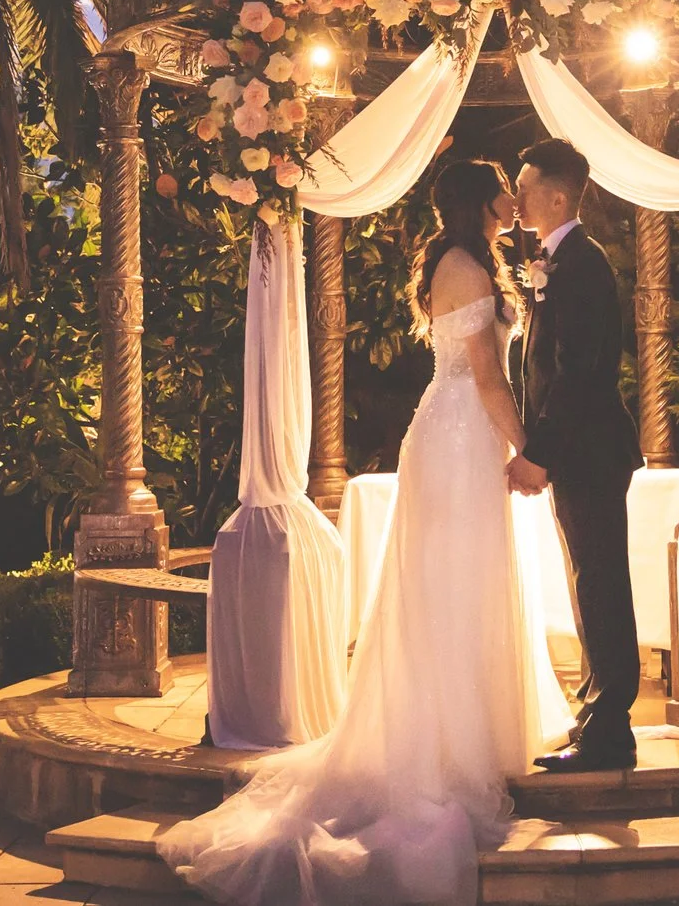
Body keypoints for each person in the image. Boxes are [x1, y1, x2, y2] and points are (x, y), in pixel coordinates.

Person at [156, 159, 569, 906]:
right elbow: (483, 373)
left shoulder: (476, 259)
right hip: (456, 437)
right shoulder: (461, 264)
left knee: (469, 580)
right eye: (506, 186)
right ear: (482, 198)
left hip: (462, 436)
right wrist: (527, 449)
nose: (514, 197)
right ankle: (441, 740)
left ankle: (478, 726)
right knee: (449, 585)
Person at [507, 136, 643, 772]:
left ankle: (611, 731)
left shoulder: (581, 265)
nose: (516, 198)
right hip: (580, 454)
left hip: (589, 452)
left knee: (602, 585)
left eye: (526, 186)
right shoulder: (560, 260)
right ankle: (596, 715)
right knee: (590, 583)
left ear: (556, 196)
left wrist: (539, 451)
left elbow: (578, 371)